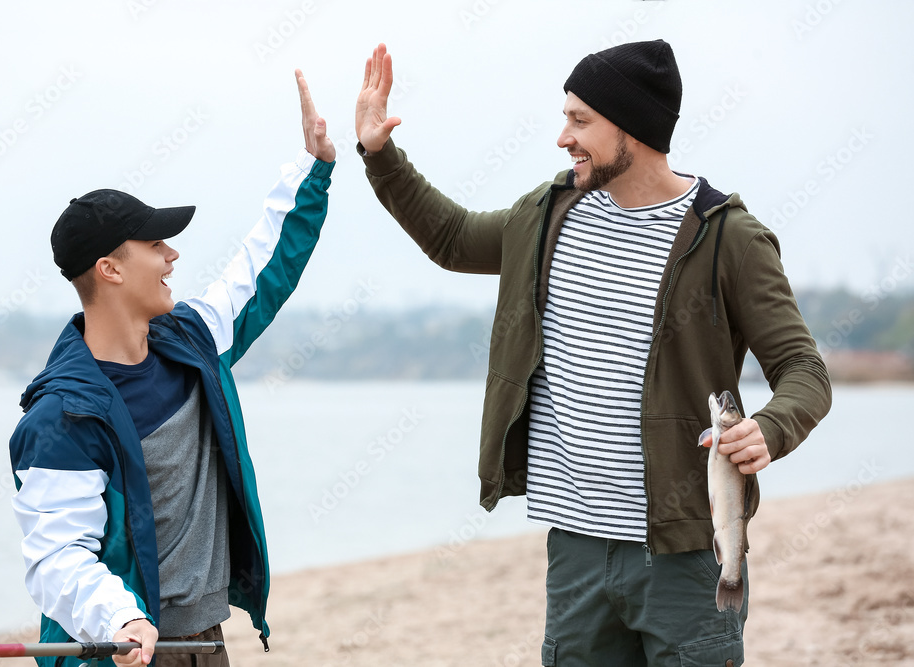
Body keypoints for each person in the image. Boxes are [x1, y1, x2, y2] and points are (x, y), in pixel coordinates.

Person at [354, 41, 831, 666]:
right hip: (574, 547)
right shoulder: (550, 214)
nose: (562, 137)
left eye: (580, 121)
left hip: (685, 552)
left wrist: (770, 427)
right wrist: (379, 154)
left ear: (631, 126)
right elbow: (451, 238)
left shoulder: (729, 239)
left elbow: (804, 371)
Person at [9, 70, 335, 667]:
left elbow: (263, 265)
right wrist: (122, 617)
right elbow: (57, 556)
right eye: (155, 244)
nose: (173, 254)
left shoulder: (190, 340)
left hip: (205, 642)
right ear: (109, 269)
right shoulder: (60, 418)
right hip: (118, 652)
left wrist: (312, 167)